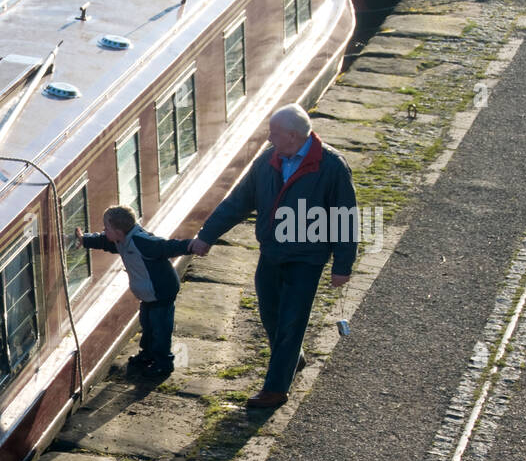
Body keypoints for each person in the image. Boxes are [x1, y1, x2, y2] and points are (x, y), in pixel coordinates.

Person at [190, 103, 356, 408]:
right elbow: (238, 202)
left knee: (292, 321)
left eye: (274, 132)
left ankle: (276, 389)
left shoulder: (331, 166)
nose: (269, 138)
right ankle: (293, 357)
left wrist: (342, 265)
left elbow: (345, 217)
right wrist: (207, 235)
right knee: (270, 314)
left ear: (292, 136)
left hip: (307, 257)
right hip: (272, 252)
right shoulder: (269, 160)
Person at [77, 205, 197, 381]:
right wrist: (85, 239)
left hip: (161, 292)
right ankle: (147, 354)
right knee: (147, 324)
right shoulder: (121, 241)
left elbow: (168, 247)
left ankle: (163, 363)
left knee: (160, 328)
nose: (104, 230)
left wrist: (193, 245)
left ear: (118, 232)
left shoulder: (143, 243)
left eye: (106, 227)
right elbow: (104, 241)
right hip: (148, 294)